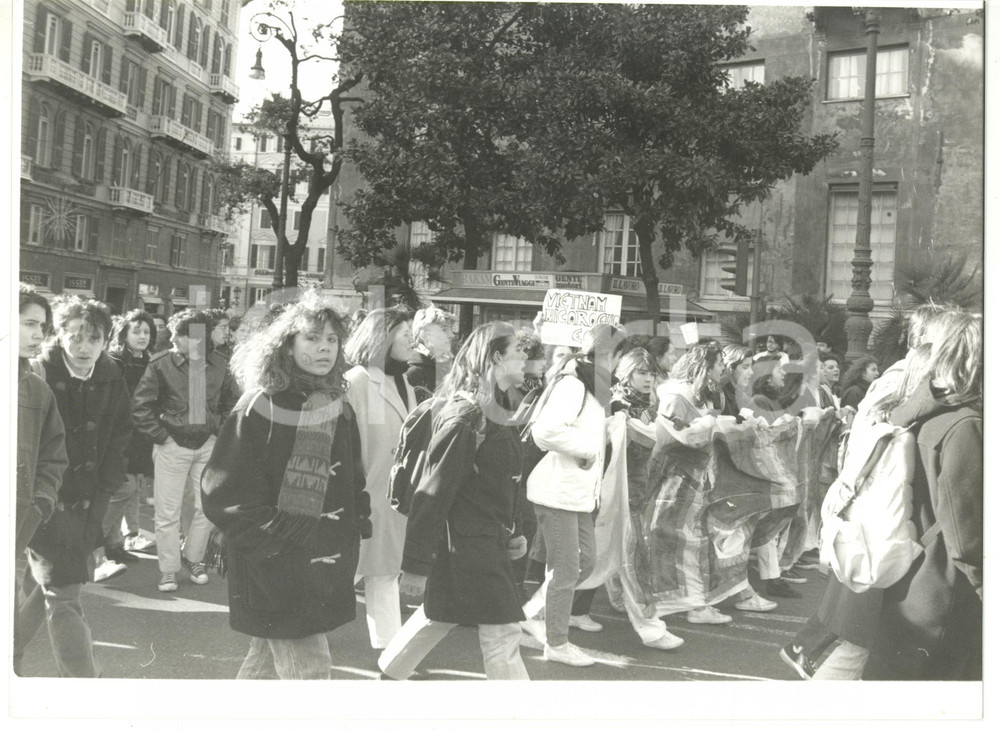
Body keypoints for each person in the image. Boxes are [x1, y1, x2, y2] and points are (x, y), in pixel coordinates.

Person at [201, 294, 370, 679]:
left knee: (263, 667)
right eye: (312, 338)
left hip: (322, 557)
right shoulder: (261, 404)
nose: (324, 347)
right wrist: (272, 546)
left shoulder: (336, 402)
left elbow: (351, 476)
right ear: (287, 345)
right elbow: (222, 490)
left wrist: (357, 520)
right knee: (310, 671)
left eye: (332, 339)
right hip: (276, 561)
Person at [378, 322, 531, 680]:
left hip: (477, 541)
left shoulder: (496, 409)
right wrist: (415, 565)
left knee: (439, 615)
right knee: (503, 633)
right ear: (495, 356)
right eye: (519, 352)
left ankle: (389, 673)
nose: (527, 360)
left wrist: (515, 530)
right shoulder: (468, 416)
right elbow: (432, 493)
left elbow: (503, 482)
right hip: (468, 545)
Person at [14, 296, 132, 677]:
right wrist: (42, 498)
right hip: (47, 498)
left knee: (43, 581)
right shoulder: (38, 373)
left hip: (90, 497)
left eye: (94, 338)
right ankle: (84, 685)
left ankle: (10, 649)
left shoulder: (112, 375)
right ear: (58, 335)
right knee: (64, 590)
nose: (84, 347)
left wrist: (108, 486)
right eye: (75, 336)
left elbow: (120, 435)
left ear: (106, 340)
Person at [864, 312, 982, 680]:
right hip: (947, 594)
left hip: (917, 585)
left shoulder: (926, 414)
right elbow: (967, 534)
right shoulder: (965, 424)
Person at [519, 324, 626, 667]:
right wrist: (587, 450)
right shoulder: (574, 385)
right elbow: (545, 431)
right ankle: (557, 642)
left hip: (577, 493)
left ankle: (534, 614)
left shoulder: (593, 385)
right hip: (557, 492)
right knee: (567, 570)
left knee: (584, 565)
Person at [132, 309, 240, 592]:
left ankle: (194, 558)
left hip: (206, 445)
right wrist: (162, 437)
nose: (195, 341)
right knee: (167, 512)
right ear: (177, 337)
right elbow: (141, 406)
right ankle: (169, 569)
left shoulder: (220, 363)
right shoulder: (161, 364)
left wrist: (218, 431)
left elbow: (233, 402)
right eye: (188, 335)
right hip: (173, 445)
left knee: (206, 507)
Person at [343, 307, 417, 650]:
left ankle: (391, 649)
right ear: (383, 338)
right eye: (405, 334)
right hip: (363, 493)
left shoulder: (403, 380)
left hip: (393, 494)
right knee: (348, 570)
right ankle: (300, 629)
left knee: (385, 571)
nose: (412, 340)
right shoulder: (358, 379)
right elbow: (348, 440)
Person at [103, 310, 158, 565]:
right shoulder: (115, 362)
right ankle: (95, 542)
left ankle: (114, 545)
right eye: (136, 331)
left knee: (131, 488)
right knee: (123, 488)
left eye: (146, 331)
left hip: (140, 436)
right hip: (121, 434)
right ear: (124, 334)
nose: (142, 336)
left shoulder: (150, 361)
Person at [15, 286, 66, 561]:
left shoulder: (39, 390)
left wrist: (41, 502)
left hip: (19, 522)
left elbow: (53, 454)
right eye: (30, 324)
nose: (39, 334)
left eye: (42, 326)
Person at [406, 306, 457, 403]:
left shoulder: (448, 366)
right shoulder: (414, 372)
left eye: (450, 329)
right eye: (444, 329)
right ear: (424, 335)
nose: (452, 335)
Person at [719, 344, 754, 417]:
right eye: (745, 367)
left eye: (751, 366)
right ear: (730, 368)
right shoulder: (719, 395)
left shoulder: (739, 393)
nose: (751, 372)